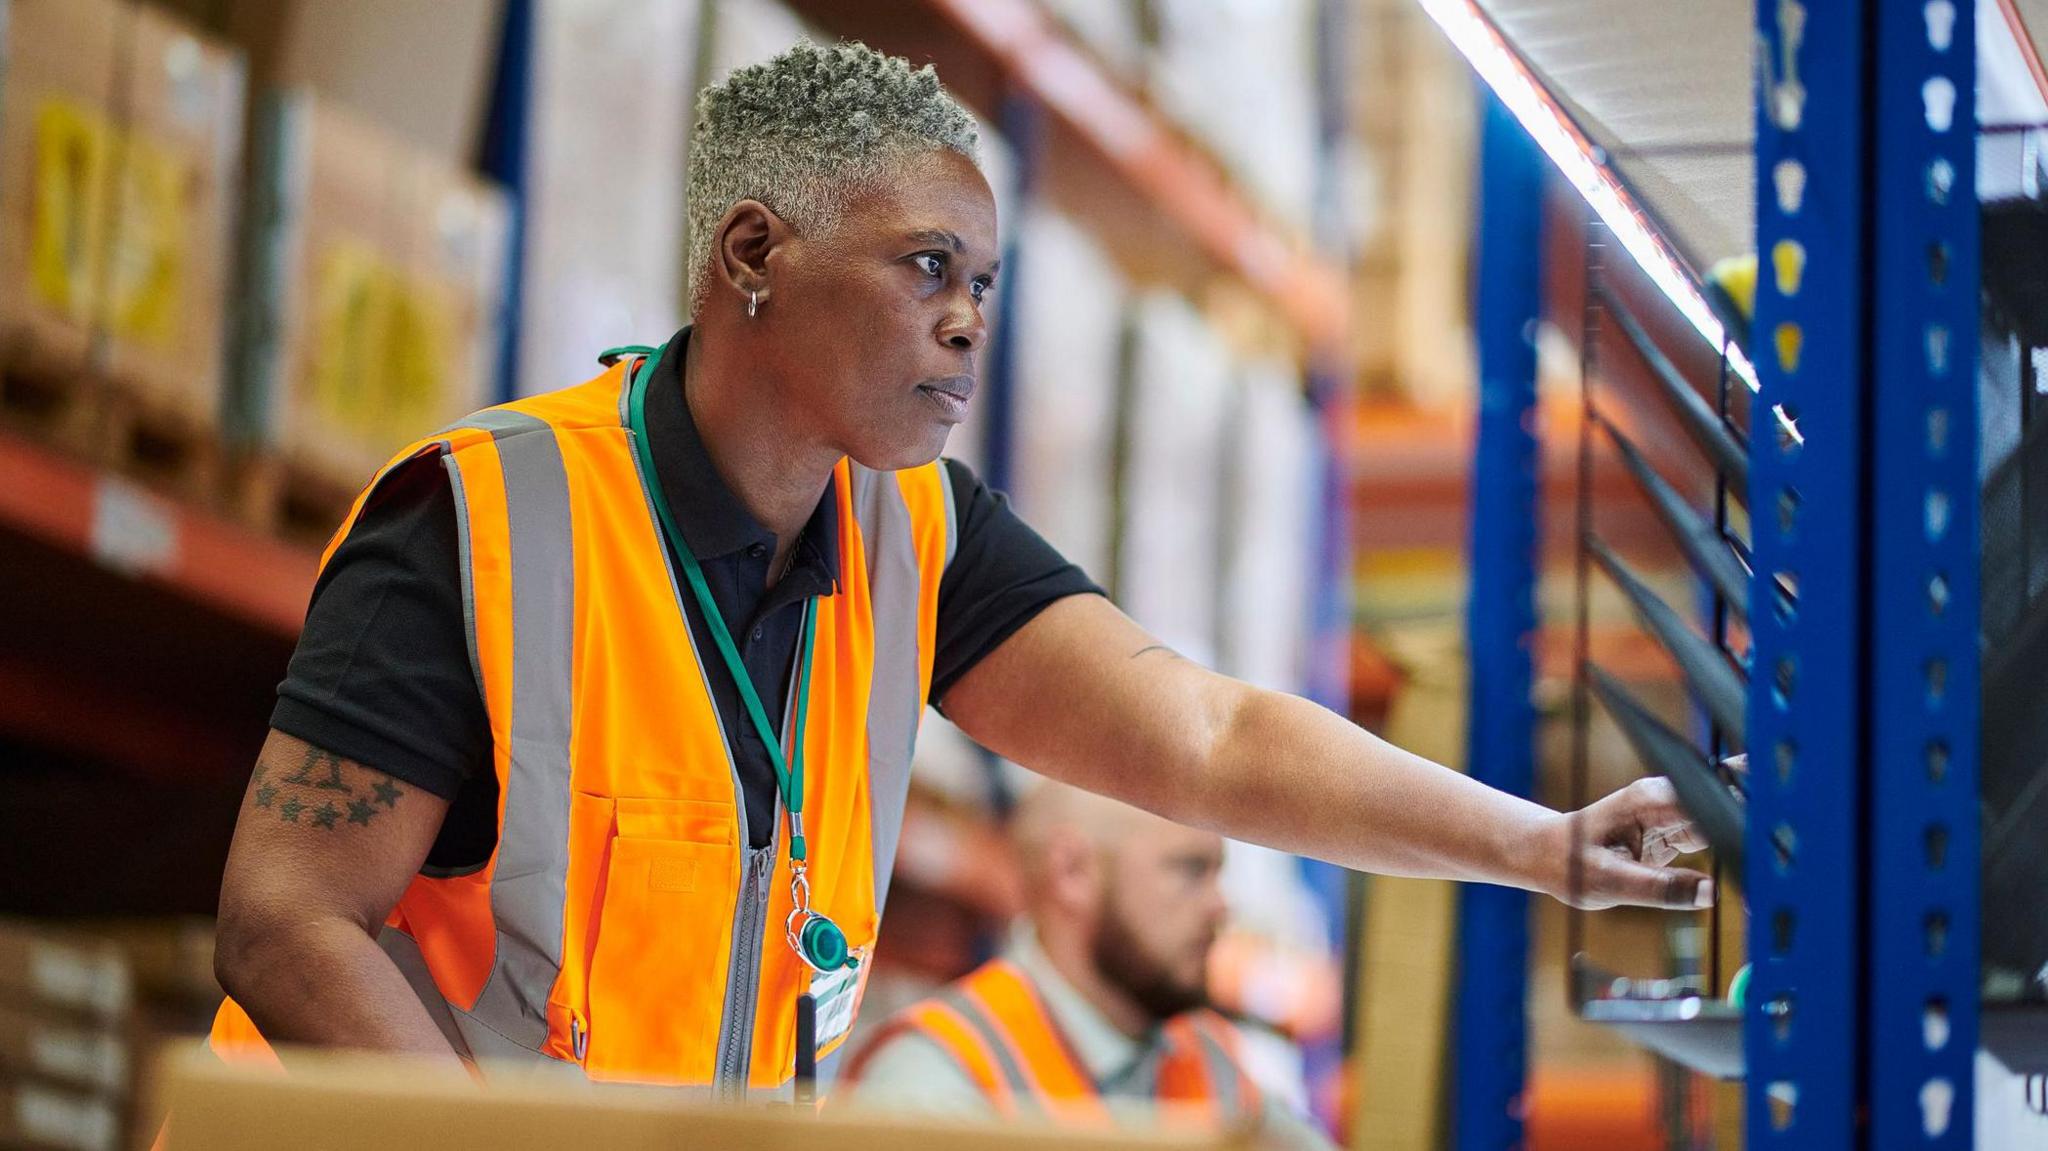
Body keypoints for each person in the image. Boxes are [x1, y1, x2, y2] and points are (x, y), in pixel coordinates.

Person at [204, 41, 1710, 1100]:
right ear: (753, 255)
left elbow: (1208, 737)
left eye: (985, 283)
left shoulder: (911, 536)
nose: (970, 323)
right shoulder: (485, 521)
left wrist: (1542, 843)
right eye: (927, 268)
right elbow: (286, 917)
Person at [845, 784, 1331, 1147]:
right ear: (1072, 872)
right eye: (1190, 869)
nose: (1221, 906)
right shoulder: (934, 1079)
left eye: (1217, 872)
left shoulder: (1207, 1057)